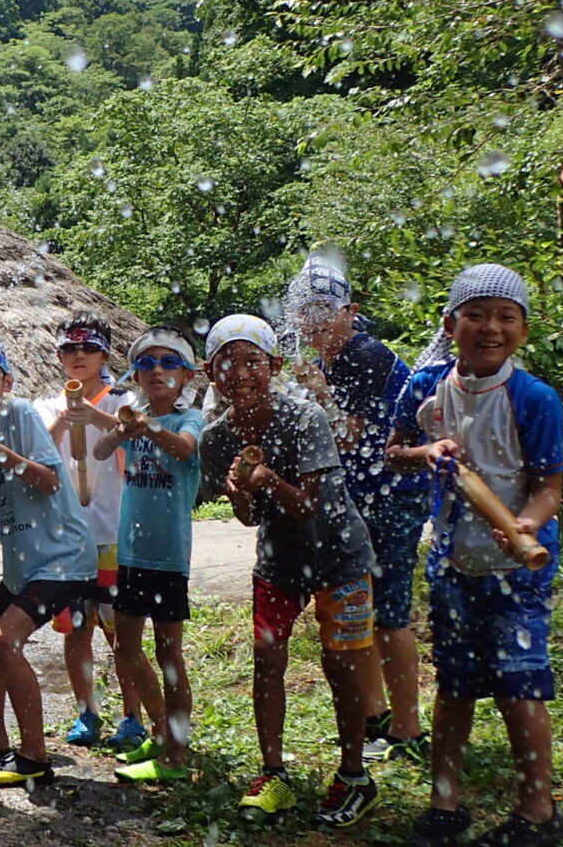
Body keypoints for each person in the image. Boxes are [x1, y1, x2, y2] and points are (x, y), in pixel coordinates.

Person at [387, 265, 563, 847]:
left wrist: (525, 524)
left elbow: (550, 488)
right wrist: (425, 451)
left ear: (523, 328)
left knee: (521, 686)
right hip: (450, 562)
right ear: (451, 323)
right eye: (477, 314)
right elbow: (393, 454)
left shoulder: (534, 398)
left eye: (505, 317)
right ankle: (446, 805)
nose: (491, 327)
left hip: (519, 565)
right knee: (456, 684)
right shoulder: (425, 389)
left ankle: (538, 811)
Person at [210, 314, 382, 828]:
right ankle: (273, 773)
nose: (239, 373)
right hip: (279, 561)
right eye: (226, 363)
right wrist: (240, 495)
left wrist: (263, 478)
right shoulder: (218, 437)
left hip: (340, 556)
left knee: (341, 664)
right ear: (209, 372)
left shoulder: (304, 417)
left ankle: (355, 776)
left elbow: (311, 504)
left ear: (274, 366)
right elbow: (250, 517)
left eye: (251, 362)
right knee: (267, 657)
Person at [286, 258, 425, 762]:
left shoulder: (365, 354)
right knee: (361, 609)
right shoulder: (331, 359)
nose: (315, 320)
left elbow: (352, 435)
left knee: (388, 614)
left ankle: (407, 728)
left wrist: (317, 397)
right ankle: (374, 716)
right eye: (305, 310)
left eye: (326, 309)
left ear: (351, 311)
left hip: (392, 498)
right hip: (362, 500)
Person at [0, 329, 97, 789]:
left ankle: (34, 757)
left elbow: (50, 481)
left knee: (1, 643)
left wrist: (4, 455)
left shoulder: (19, 413)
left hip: (64, 556)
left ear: (7, 381)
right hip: (23, 566)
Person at [97, 326, 206, 785]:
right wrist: (123, 428)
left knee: (168, 653)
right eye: (146, 364)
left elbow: (183, 450)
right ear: (136, 376)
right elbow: (102, 448)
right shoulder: (136, 419)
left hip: (167, 558)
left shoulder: (189, 420)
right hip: (131, 554)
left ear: (185, 375)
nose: (157, 371)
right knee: (124, 650)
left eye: (168, 364)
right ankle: (161, 731)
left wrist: (147, 427)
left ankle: (176, 755)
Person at [38, 311, 139, 751]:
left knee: (121, 633)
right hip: (69, 539)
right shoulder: (47, 404)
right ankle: (87, 711)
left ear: (104, 354)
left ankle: (133, 714)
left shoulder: (122, 399)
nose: (78, 356)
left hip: (114, 535)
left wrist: (91, 416)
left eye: (88, 348)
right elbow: (39, 446)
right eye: (69, 349)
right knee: (77, 630)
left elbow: (131, 433)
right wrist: (66, 416)